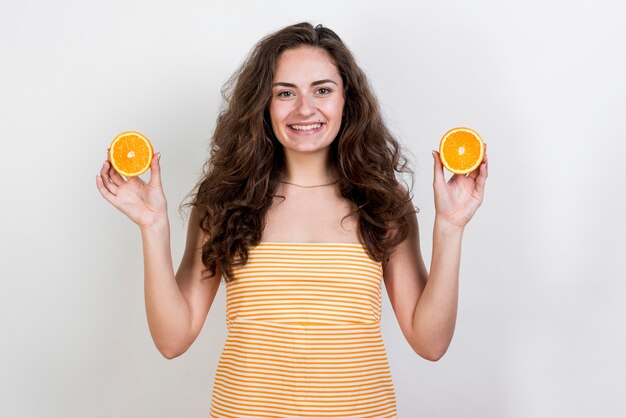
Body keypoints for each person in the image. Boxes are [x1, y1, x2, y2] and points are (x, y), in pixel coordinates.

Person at [96, 22, 488, 418]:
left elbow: (430, 343)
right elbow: (172, 339)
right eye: (285, 93)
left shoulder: (382, 203)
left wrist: (450, 227)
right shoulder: (225, 202)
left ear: (345, 99)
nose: (305, 108)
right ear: (263, 104)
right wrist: (153, 226)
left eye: (322, 90)